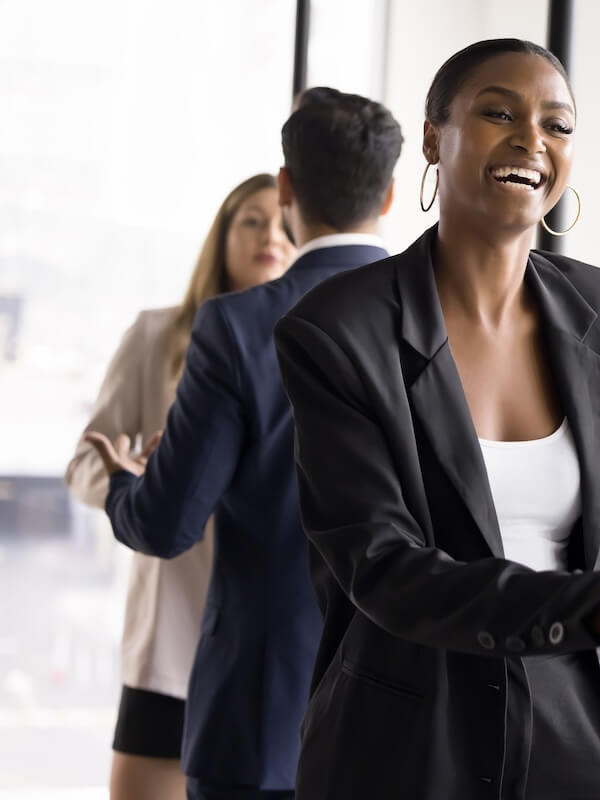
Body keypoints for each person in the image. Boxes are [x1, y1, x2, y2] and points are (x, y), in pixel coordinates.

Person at [273, 39, 600, 800]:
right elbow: (382, 567)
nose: (531, 139)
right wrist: (591, 610)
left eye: (557, 124)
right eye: (498, 112)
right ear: (435, 136)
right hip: (414, 741)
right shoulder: (337, 329)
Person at [83, 87, 403, 800]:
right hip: (405, 710)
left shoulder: (235, 326)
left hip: (259, 711)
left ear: (287, 189)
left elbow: (166, 524)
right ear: (387, 197)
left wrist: (128, 481)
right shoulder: (442, 320)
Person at [65, 174, 294, 800]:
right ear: (221, 235)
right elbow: (88, 463)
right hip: (172, 631)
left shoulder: (317, 346)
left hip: (264, 637)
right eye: (250, 220)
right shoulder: (156, 335)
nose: (269, 235)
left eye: (281, 221)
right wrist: (143, 476)